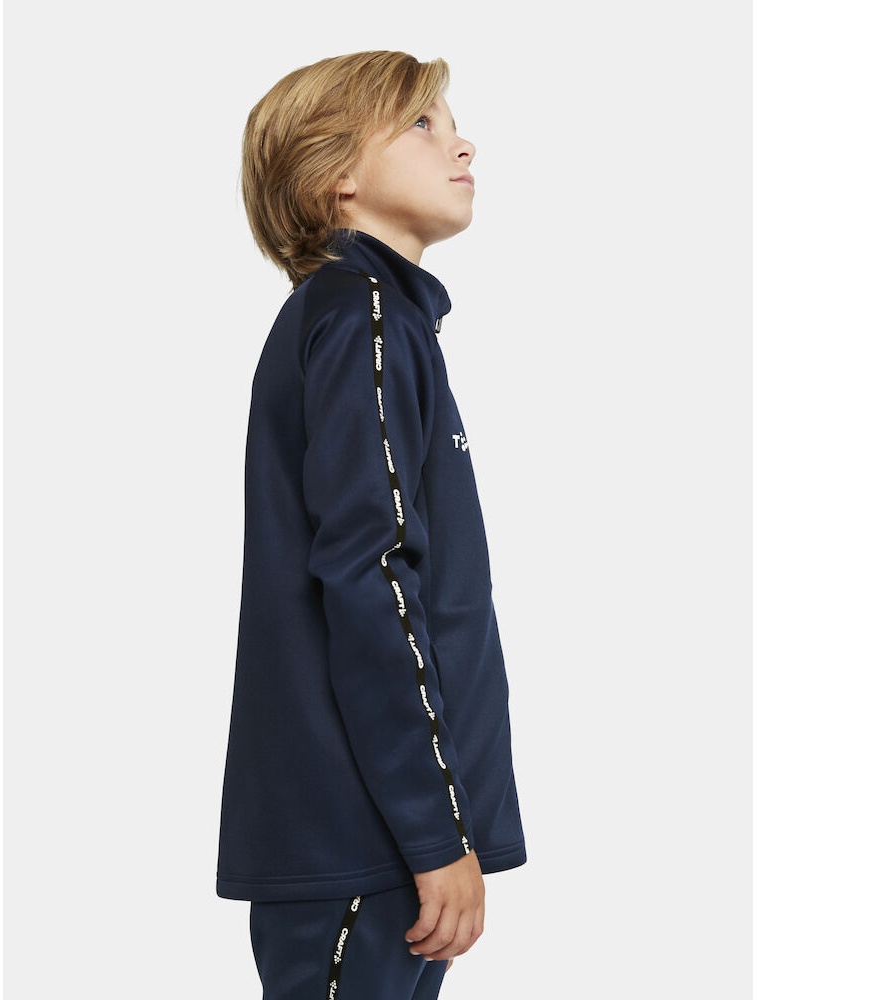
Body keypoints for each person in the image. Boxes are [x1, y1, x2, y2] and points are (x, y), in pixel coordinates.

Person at [217, 50, 526, 999]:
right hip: (369, 840)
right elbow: (373, 576)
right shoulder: (365, 317)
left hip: (375, 838)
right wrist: (437, 835)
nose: (462, 144)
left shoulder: (380, 321)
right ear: (335, 174)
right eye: (423, 125)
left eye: (453, 124)